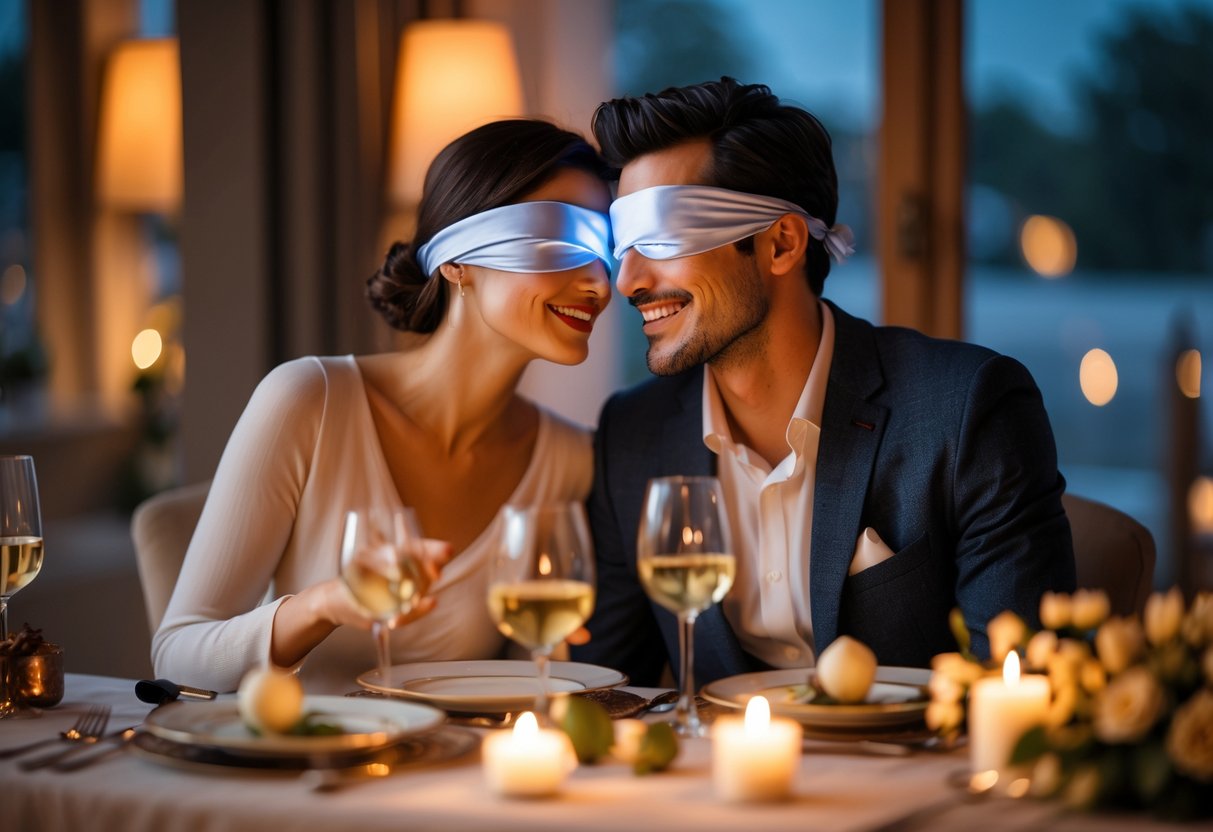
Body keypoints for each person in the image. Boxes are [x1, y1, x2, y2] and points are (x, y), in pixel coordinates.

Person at [572, 78, 1076, 687]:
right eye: (622, 245)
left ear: (781, 242)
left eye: (659, 240)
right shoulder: (633, 437)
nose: (628, 281)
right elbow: (603, 691)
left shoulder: (969, 408)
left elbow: (1019, 691)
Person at [153, 119, 613, 693]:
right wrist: (324, 605)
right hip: (297, 771)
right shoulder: (309, 402)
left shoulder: (569, 458)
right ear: (456, 259)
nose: (598, 283)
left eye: (607, 250)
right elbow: (175, 657)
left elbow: (522, 675)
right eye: (562, 240)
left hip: (451, 774)